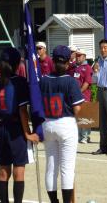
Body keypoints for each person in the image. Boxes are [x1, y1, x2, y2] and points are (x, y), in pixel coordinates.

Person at [0, 47, 39, 203]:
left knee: (4, 170)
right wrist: (27, 132)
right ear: (17, 64)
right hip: (16, 129)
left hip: (1, 127)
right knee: (19, 169)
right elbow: (22, 110)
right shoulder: (19, 82)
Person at [40, 45, 84, 203]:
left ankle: (54, 201)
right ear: (67, 62)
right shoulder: (70, 81)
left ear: (52, 60)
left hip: (47, 123)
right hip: (65, 123)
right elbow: (77, 108)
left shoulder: (44, 80)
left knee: (51, 166)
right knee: (67, 167)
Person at [72, 48, 93, 144]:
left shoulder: (87, 67)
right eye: (77, 55)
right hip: (75, 96)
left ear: (84, 56)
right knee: (77, 117)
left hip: (84, 95)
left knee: (85, 117)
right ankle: (79, 136)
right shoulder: (75, 67)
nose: (77, 57)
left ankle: (85, 136)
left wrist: (79, 92)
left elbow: (87, 82)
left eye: (79, 55)